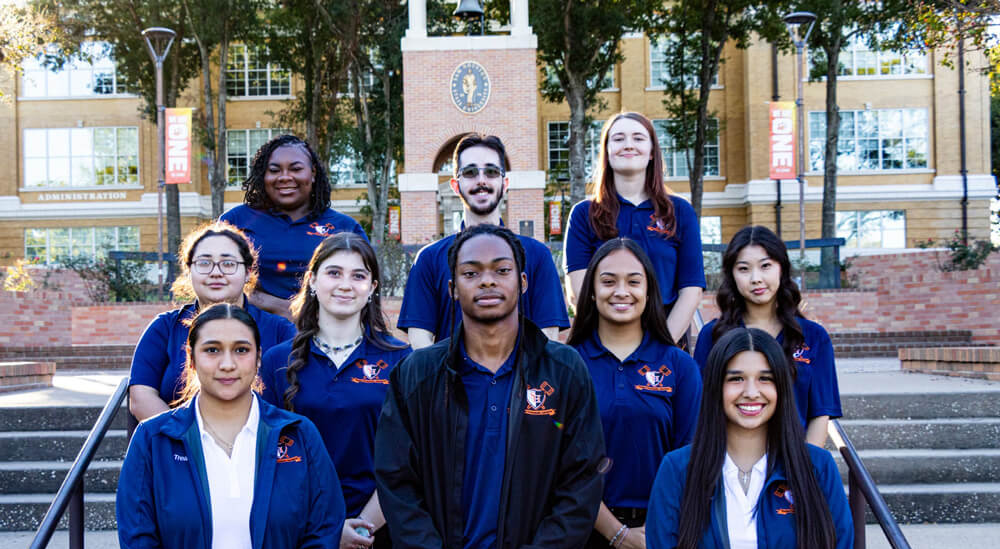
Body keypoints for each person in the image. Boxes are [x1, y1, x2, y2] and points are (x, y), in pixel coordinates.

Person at [375, 224, 605, 549]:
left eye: (501, 270)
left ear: (522, 282)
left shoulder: (563, 371)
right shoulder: (416, 377)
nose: (486, 282)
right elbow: (399, 491)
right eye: (471, 272)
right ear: (451, 287)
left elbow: (581, 487)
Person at [117, 303, 345, 549]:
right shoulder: (153, 440)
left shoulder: (299, 435)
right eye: (212, 350)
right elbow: (140, 548)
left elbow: (322, 539)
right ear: (190, 360)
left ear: (258, 359)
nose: (227, 364)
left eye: (241, 350)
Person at [646, 328, 853, 549]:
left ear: (781, 387)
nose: (751, 392)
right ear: (715, 387)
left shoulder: (816, 469)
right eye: (736, 378)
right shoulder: (678, 470)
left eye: (765, 379)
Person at [260, 232, 411, 549]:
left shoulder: (401, 361)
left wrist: (360, 529)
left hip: (379, 540)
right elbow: (268, 458)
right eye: (334, 272)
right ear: (312, 281)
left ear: (373, 288)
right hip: (298, 543)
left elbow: (410, 461)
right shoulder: (275, 361)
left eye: (358, 275)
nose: (346, 284)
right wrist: (328, 535)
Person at [565, 237, 702, 549]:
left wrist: (644, 541)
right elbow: (559, 466)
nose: (621, 291)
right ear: (591, 291)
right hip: (583, 540)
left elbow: (691, 462)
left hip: (664, 542)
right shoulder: (566, 364)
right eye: (608, 280)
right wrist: (618, 537)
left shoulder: (678, 367)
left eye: (633, 280)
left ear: (650, 291)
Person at [397, 134, 569, 348]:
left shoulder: (537, 255)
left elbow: (548, 337)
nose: (481, 180)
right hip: (451, 380)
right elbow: (420, 339)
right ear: (455, 185)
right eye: (470, 172)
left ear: (504, 183)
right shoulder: (429, 259)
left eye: (491, 171)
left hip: (522, 380)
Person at [129, 222, 295, 421]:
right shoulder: (164, 328)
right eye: (204, 263)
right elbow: (141, 397)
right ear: (188, 270)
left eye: (228, 264)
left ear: (248, 272)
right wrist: (187, 439)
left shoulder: (280, 331)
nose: (216, 272)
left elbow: (295, 398)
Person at [563, 112, 705, 344]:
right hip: (603, 348)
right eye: (618, 139)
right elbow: (578, 293)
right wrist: (612, 347)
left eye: (638, 138)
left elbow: (691, 290)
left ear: (651, 152)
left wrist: (660, 350)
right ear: (607, 152)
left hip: (666, 346)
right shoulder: (584, 214)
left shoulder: (680, 212)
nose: (628, 145)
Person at [693, 226, 841, 446]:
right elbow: (701, 411)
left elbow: (820, 415)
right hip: (728, 464)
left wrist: (803, 471)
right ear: (732, 276)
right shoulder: (712, 336)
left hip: (792, 464)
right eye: (744, 269)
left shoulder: (813, 336)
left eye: (765, 266)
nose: (756, 278)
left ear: (781, 268)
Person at [220, 134, 369, 317]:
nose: (285, 177)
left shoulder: (345, 228)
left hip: (324, 331)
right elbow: (217, 280)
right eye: (274, 170)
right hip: (250, 330)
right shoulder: (235, 222)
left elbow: (365, 286)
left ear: (313, 173)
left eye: (296, 169)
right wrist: (282, 308)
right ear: (263, 175)